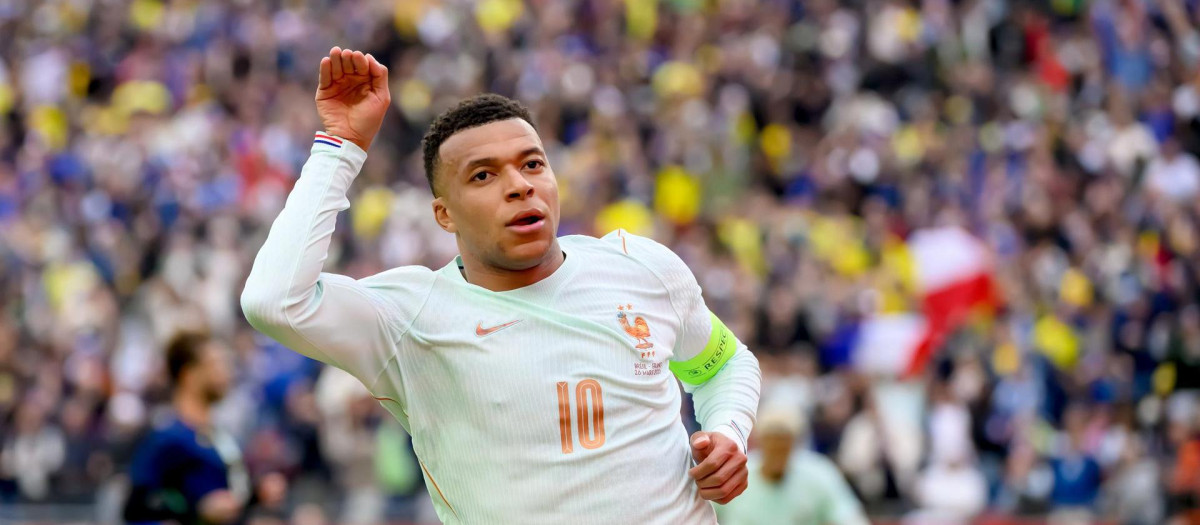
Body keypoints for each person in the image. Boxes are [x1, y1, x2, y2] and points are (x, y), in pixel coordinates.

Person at [240, 47, 761, 523]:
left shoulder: (640, 266)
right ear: (444, 215)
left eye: (532, 164)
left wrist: (728, 433)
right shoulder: (410, 317)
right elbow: (273, 301)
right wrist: (341, 146)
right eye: (483, 176)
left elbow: (722, 365)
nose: (519, 185)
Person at [123, 332, 286, 524]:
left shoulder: (221, 436)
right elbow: (136, 509)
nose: (227, 371)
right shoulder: (165, 438)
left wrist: (257, 493)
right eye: (215, 363)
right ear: (189, 374)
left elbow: (225, 495)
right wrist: (195, 511)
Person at [716, 408, 868, 525]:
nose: (777, 452)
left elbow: (850, 518)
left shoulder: (820, 474)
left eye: (783, 445)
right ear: (760, 443)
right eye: (772, 444)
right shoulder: (734, 472)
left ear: (795, 444)